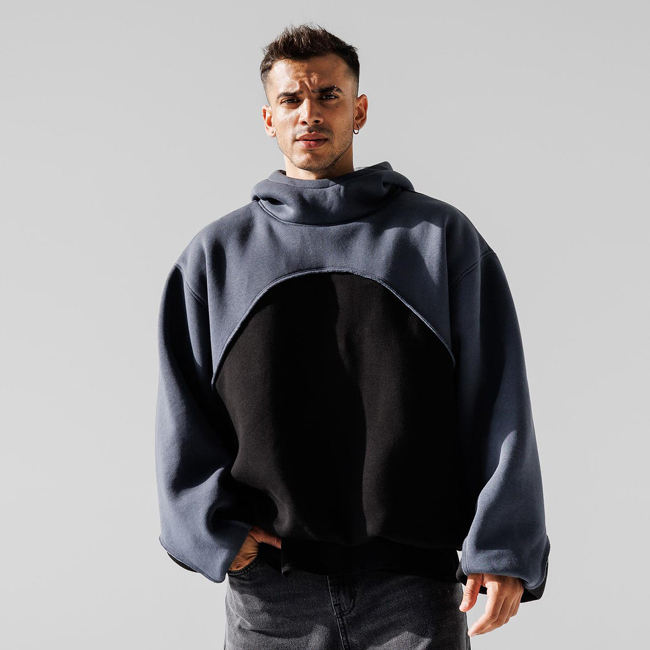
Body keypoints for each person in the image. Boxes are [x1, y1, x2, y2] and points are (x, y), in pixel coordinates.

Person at [154, 23, 550, 649]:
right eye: (291, 99)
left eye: (328, 96)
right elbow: (182, 413)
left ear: (359, 110)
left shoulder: (438, 240)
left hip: (414, 589)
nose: (309, 113)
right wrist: (211, 532)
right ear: (268, 118)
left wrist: (503, 545)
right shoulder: (216, 257)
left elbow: (499, 401)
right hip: (272, 595)